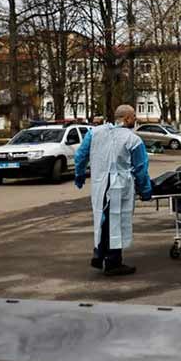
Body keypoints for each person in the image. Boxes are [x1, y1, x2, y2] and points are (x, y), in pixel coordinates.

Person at [74, 104, 152, 276]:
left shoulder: (94, 133)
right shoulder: (133, 140)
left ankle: (99, 253)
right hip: (120, 186)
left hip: (100, 185)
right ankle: (113, 262)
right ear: (127, 119)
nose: (135, 119)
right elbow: (140, 168)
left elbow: (80, 156)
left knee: (103, 220)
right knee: (116, 222)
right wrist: (145, 190)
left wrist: (79, 175)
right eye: (133, 116)